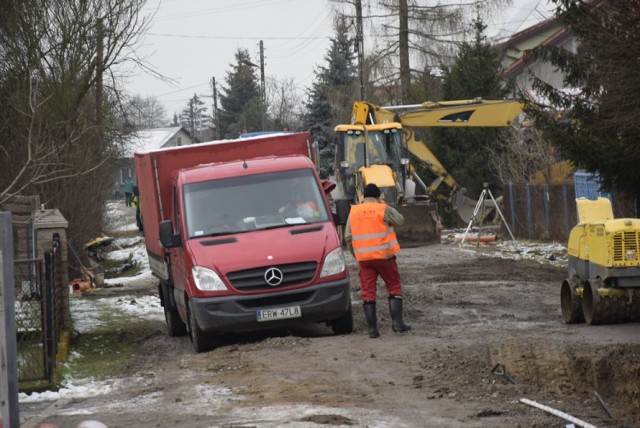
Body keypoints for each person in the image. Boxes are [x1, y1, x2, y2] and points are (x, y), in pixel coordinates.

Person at [345, 183, 411, 338]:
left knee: (368, 292)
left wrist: (356, 254)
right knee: (393, 286)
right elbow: (400, 220)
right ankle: (397, 323)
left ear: (363, 196)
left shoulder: (354, 211)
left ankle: (372, 330)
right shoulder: (382, 208)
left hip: (365, 260)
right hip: (384, 257)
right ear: (378, 196)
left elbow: (348, 236)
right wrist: (385, 206)